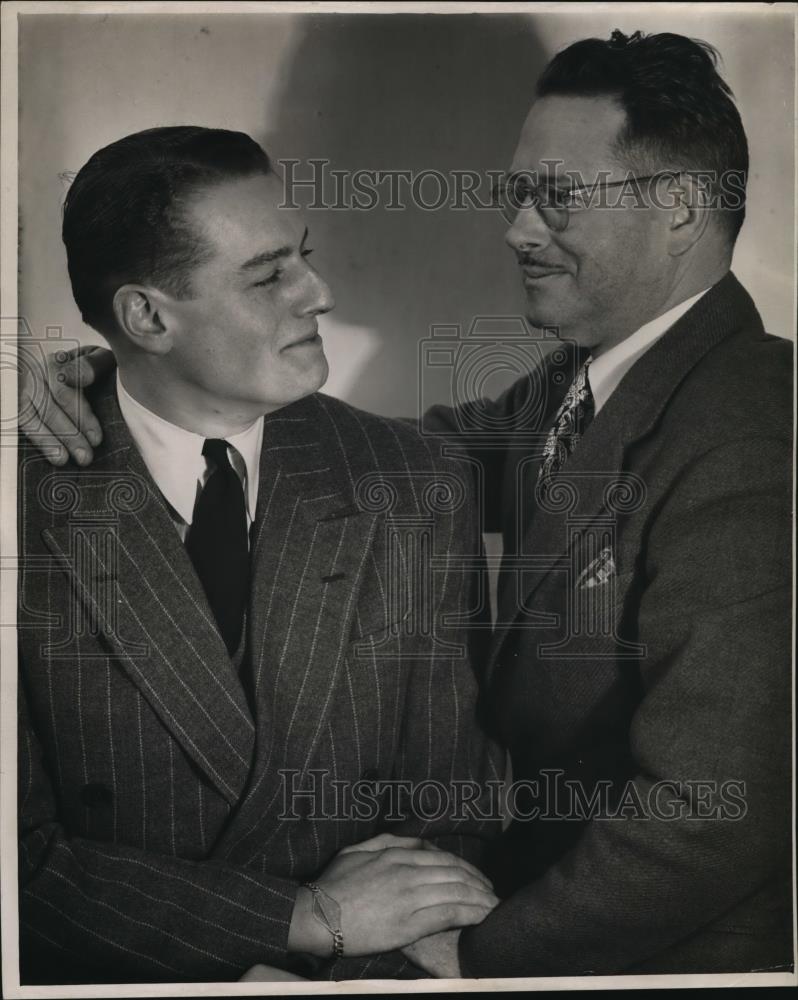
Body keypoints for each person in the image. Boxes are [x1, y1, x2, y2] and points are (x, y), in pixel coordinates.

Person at [22, 30, 794, 978]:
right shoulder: (579, 392)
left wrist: (474, 957)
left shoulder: (755, 431)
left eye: (554, 195)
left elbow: (718, 810)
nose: (515, 228)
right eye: (516, 194)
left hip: (656, 960)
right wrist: (119, 370)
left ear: (680, 207)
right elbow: (382, 459)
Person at [15, 125, 502, 985]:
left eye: (304, 257)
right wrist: (299, 921)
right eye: (270, 274)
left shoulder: (417, 481)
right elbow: (15, 873)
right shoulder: (18, 499)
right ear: (147, 317)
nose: (320, 292)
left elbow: (447, 823)